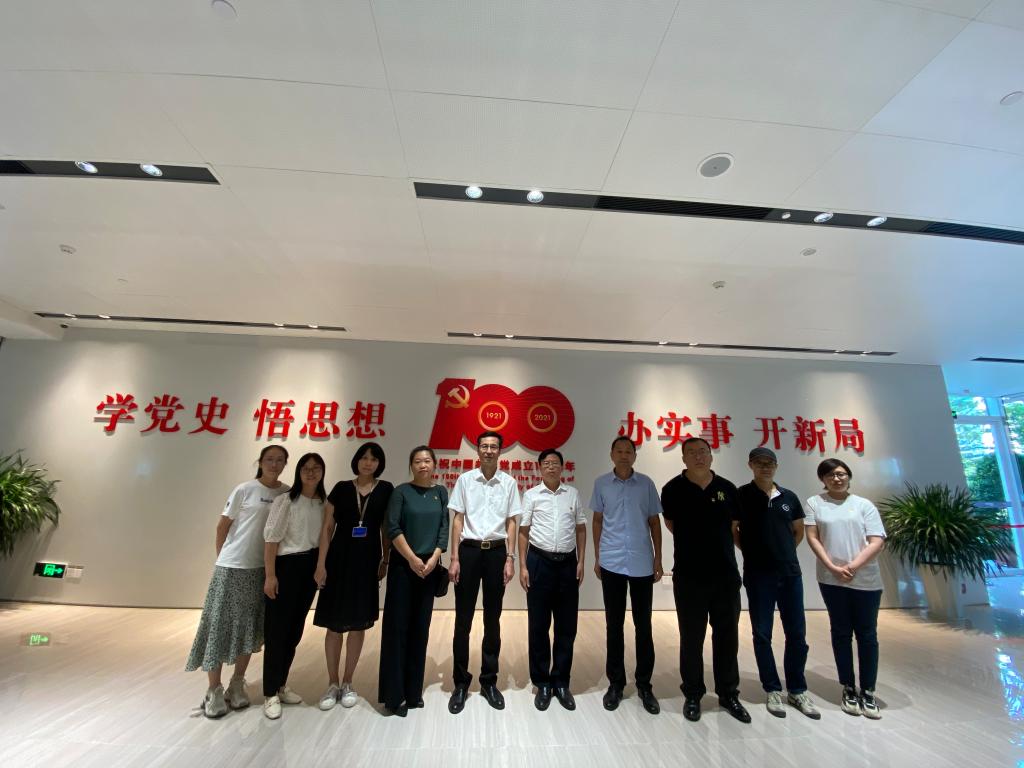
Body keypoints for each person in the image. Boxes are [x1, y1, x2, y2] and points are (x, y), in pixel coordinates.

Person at [186, 445, 290, 719]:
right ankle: (213, 690)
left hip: (262, 570)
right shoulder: (245, 489)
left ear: (285, 464)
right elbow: (222, 526)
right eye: (270, 459)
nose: (274, 464)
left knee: (249, 628)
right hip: (232, 568)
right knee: (218, 626)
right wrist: (224, 558)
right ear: (260, 462)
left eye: (280, 460)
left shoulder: (286, 493)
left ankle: (237, 683)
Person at [660, 437, 749, 724]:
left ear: (711, 456)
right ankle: (693, 694)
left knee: (727, 637)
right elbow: (671, 524)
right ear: (683, 459)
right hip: (689, 576)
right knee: (691, 637)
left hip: (725, 576)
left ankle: (728, 693)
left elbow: (734, 526)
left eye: (703, 452)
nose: (698, 457)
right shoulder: (672, 489)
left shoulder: (728, 489)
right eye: (691, 453)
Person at [733, 447, 818, 720]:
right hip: (758, 574)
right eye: (759, 463)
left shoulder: (789, 497)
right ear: (750, 465)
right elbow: (734, 530)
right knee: (762, 634)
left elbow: (798, 531)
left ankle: (797, 689)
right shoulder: (741, 495)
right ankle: (771, 688)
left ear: (776, 466)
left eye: (769, 463)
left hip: (790, 573)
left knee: (797, 634)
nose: (765, 467)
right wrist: (752, 552)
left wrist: (784, 553)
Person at [313, 442, 393, 710]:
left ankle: (348, 681)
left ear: (380, 463)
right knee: (334, 625)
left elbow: (386, 529)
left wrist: (385, 559)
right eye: (364, 457)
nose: (368, 463)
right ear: (356, 460)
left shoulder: (386, 489)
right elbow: (327, 528)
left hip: (367, 562)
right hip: (338, 560)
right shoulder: (341, 488)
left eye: (374, 459)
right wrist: (321, 564)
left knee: (359, 623)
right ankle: (332, 683)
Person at [805, 458, 886, 719]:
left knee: (867, 634)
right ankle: (848, 687)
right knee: (840, 632)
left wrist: (852, 567)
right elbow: (812, 537)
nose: (836, 478)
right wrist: (832, 566)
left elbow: (877, 541)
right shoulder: (814, 503)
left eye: (841, 474)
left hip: (865, 580)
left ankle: (868, 690)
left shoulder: (864, 505)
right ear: (823, 479)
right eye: (830, 475)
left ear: (849, 476)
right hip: (831, 579)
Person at [447, 431, 522, 714]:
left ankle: (489, 681)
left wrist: (510, 558)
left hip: (497, 553)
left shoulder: (509, 483)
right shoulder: (465, 480)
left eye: (493, 446)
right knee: (462, 620)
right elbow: (457, 520)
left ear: (500, 451)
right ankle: (460, 682)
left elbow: (512, 522)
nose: (489, 450)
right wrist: (454, 557)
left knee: (493, 619)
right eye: (484, 446)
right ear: (478, 450)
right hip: (468, 551)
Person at [590, 435, 663, 715]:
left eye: (628, 451)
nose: (624, 455)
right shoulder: (601, 484)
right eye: (619, 451)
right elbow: (597, 520)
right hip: (611, 562)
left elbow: (654, 522)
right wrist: (598, 557)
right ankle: (616, 684)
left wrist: (658, 558)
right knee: (614, 624)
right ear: (611, 454)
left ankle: (644, 685)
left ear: (635, 455)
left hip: (642, 562)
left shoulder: (646, 484)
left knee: (644, 625)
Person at [377, 446, 449, 716]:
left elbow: (444, 528)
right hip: (403, 567)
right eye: (417, 461)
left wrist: (434, 558)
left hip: (429, 568)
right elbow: (392, 527)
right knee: (397, 630)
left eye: (427, 460)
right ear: (411, 465)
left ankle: (413, 691)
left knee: (420, 629)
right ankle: (394, 696)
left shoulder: (440, 492)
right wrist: (411, 558)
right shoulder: (401, 492)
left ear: (434, 464)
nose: (423, 465)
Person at [518, 448, 586, 712]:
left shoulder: (573, 494)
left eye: (555, 463)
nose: (551, 466)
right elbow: (524, 531)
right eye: (546, 463)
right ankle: (542, 682)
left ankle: (561, 681)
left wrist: (581, 561)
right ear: (539, 467)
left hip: (568, 564)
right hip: (539, 562)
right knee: (538, 625)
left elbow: (581, 528)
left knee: (567, 626)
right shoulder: (531, 495)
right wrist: (522, 565)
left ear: (562, 467)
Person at [261, 452, 326, 719]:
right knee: (277, 631)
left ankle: (281, 684)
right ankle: (269, 693)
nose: (311, 472)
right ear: (298, 472)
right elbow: (271, 540)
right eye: (306, 468)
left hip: (309, 568)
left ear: (322, 472)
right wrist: (270, 575)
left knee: (294, 631)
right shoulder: (286, 500)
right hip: (286, 567)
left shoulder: (323, 503)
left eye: (316, 468)